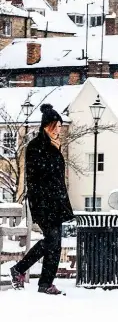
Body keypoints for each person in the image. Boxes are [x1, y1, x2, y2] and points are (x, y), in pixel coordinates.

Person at [10, 103, 74, 295]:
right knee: (52, 241)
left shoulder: (56, 147)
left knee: (55, 244)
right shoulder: (35, 147)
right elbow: (35, 179)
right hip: (43, 203)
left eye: (61, 127)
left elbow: (58, 179)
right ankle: (20, 269)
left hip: (57, 203)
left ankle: (45, 283)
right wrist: (40, 202)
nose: (60, 130)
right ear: (48, 126)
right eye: (57, 126)